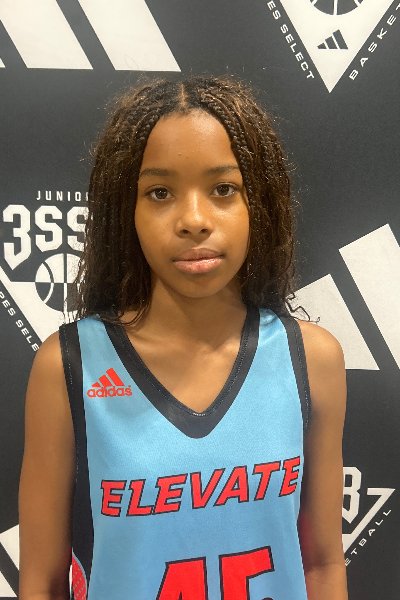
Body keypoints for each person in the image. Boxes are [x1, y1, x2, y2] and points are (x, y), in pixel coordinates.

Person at [19, 75, 348, 600]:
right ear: (126, 211)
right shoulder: (70, 364)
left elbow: (324, 565)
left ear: (258, 204)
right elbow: (42, 581)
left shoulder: (311, 358)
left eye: (223, 189)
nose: (194, 220)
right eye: (160, 192)